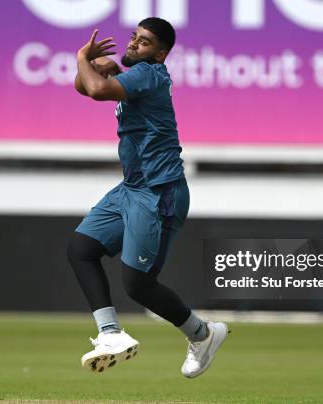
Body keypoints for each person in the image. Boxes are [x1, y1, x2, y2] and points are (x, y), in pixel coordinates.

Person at [67, 17, 228, 378]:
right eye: (134, 37)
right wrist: (92, 68)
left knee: (138, 285)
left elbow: (94, 91)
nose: (136, 44)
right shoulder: (134, 76)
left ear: (161, 53)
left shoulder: (150, 74)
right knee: (81, 249)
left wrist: (83, 58)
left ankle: (203, 335)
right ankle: (110, 334)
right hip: (131, 188)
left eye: (146, 41)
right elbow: (85, 86)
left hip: (159, 192)